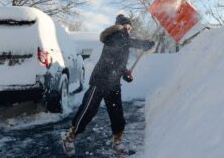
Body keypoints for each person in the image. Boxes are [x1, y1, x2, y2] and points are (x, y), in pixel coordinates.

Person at [62, 14, 155, 156]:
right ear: (121, 25)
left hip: (113, 83)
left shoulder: (123, 40)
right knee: (88, 111)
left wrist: (124, 73)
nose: (129, 29)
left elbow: (117, 62)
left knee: (117, 115)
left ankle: (117, 142)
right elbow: (123, 42)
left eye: (130, 27)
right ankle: (69, 138)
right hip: (100, 81)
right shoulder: (115, 36)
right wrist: (143, 43)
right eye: (128, 26)